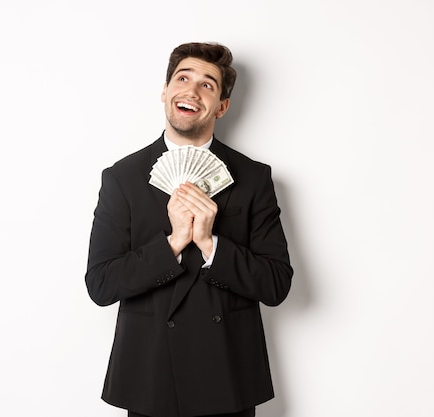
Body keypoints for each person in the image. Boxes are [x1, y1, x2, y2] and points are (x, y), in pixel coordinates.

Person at [85, 42, 293, 417]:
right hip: (150, 381)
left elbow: (276, 284)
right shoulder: (122, 178)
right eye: (183, 78)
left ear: (222, 106)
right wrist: (174, 242)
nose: (192, 91)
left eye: (208, 85)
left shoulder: (253, 178)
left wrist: (210, 244)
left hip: (228, 380)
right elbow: (101, 285)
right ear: (165, 92)